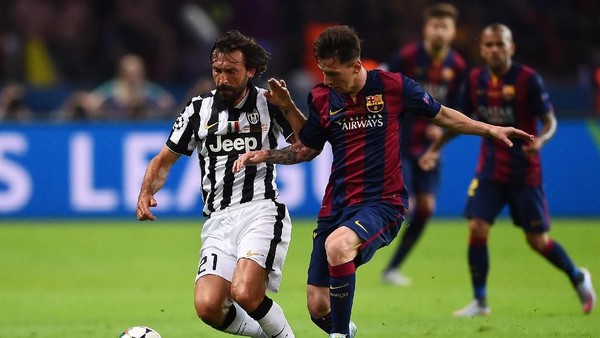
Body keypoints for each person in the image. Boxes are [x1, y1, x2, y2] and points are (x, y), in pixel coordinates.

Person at [233, 25, 533, 338]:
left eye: (333, 73)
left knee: (339, 246)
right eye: (323, 72)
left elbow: (442, 115)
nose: (326, 81)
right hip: (336, 205)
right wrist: (269, 148)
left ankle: (339, 336)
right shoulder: (322, 97)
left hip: (383, 202)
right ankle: (345, 330)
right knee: (318, 305)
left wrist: (490, 129)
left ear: (356, 66)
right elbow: (306, 148)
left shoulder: (393, 86)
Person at [419, 23, 596, 317]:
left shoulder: (528, 80)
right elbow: (459, 121)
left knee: (537, 241)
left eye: (500, 45)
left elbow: (549, 119)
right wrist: (433, 150)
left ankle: (578, 277)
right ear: (482, 49)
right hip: (490, 171)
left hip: (524, 173)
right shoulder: (475, 79)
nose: (494, 50)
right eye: (488, 45)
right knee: (477, 227)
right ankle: (480, 301)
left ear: (511, 48)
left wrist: (542, 139)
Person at [136, 30, 297, 338]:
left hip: (260, 210)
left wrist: (287, 109)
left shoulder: (269, 102)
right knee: (209, 306)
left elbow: (306, 145)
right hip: (218, 221)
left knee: (246, 292)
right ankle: (268, 335)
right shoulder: (198, 109)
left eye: (231, 71)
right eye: (217, 70)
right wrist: (145, 191)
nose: (222, 78)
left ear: (250, 71)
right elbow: (163, 159)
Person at [381, 2, 466, 286]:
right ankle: (354, 250)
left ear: (453, 32)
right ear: (425, 29)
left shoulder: (457, 67)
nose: (440, 31)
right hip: (399, 144)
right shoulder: (406, 57)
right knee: (404, 206)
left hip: (430, 149)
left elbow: (458, 108)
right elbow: (381, 88)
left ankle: (392, 269)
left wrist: (438, 131)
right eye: (435, 26)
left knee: (427, 208)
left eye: (445, 26)